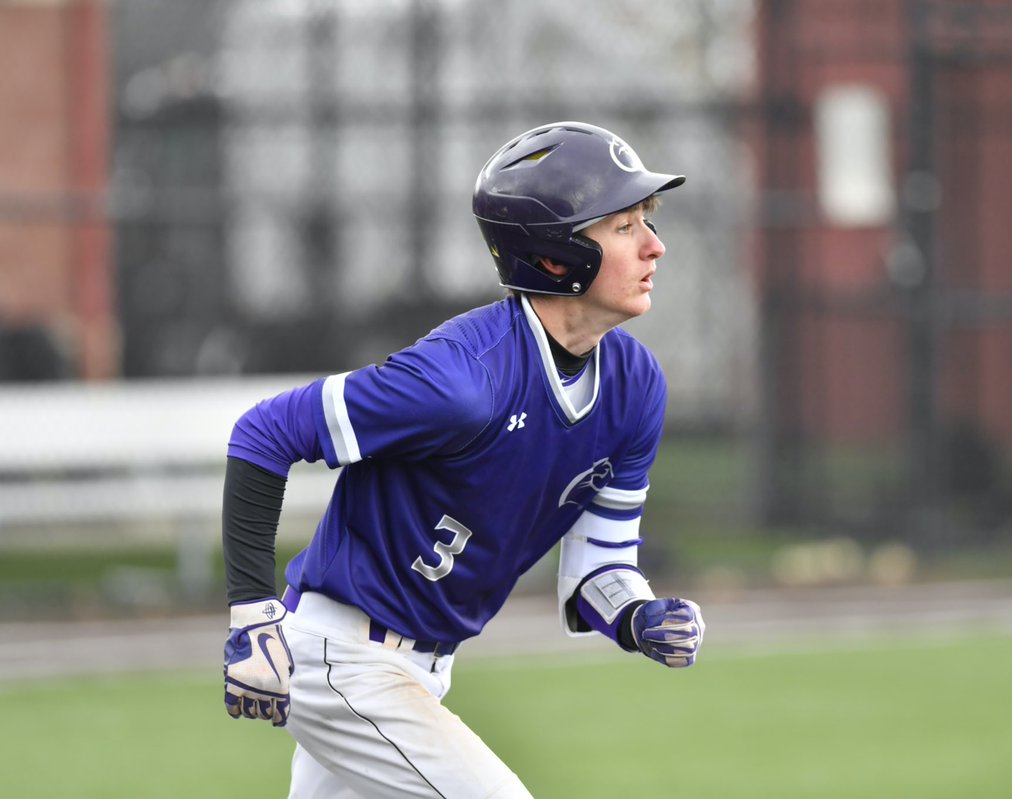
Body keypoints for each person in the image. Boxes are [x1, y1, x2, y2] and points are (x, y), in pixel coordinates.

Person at [220, 121, 706, 799]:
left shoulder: (634, 386)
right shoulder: (461, 380)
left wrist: (637, 616)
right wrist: (251, 612)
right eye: (625, 226)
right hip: (343, 658)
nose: (656, 245)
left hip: (420, 671)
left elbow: (601, 566)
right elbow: (263, 433)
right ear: (557, 256)